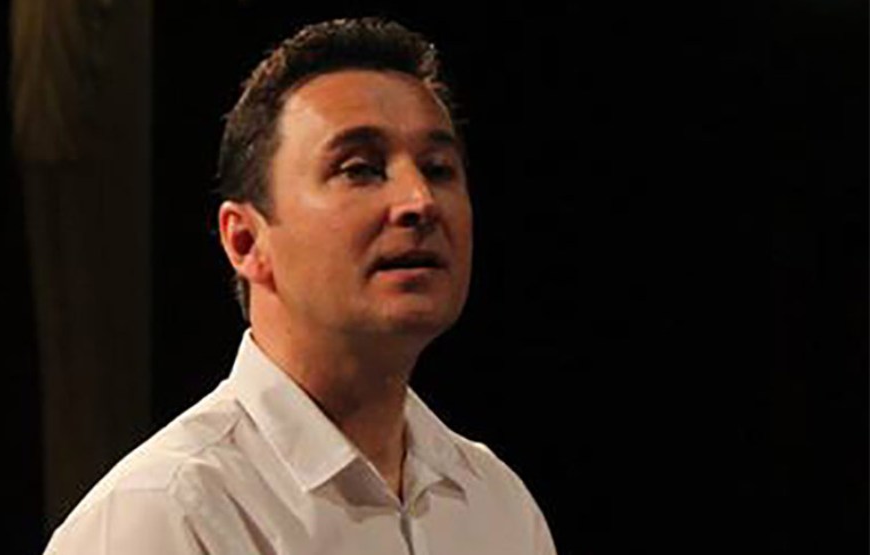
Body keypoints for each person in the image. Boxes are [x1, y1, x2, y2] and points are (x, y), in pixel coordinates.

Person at [44, 17, 557, 554]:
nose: (420, 200)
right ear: (245, 241)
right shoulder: (163, 513)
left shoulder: (496, 504)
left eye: (437, 168)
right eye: (360, 169)